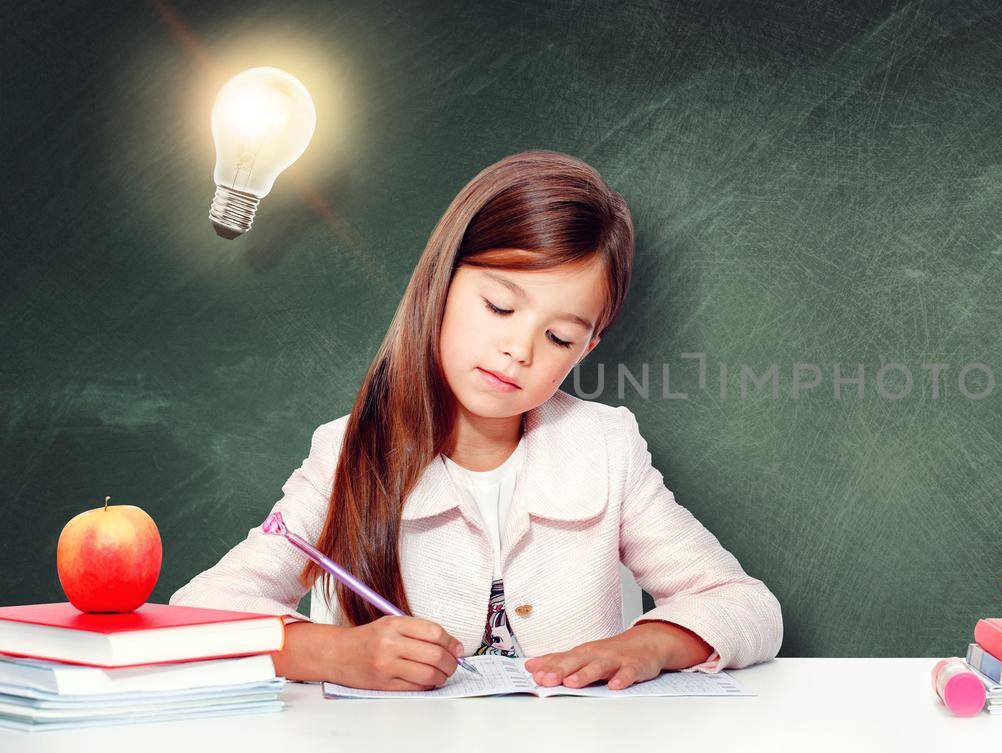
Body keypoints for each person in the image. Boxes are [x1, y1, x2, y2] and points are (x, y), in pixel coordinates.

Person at [171, 151, 783, 691]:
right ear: (440, 283)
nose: (519, 349)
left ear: (586, 349)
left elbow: (748, 607)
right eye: (498, 306)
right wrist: (332, 654)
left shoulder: (605, 447)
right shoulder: (347, 451)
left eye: (559, 336)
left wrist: (647, 644)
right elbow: (198, 614)